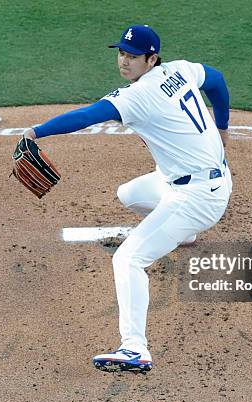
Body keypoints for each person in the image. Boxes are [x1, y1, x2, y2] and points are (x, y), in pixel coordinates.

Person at [20, 24, 231, 373]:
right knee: (129, 194)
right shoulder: (178, 70)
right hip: (202, 182)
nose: (124, 61)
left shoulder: (139, 95)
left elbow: (87, 116)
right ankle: (186, 234)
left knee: (127, 259)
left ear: (151, 59)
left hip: (197, 198)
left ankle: (135, 348)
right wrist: (222, 126)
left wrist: (36, 131)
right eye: (121, 53)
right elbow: (217, 80)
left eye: (132, 56)